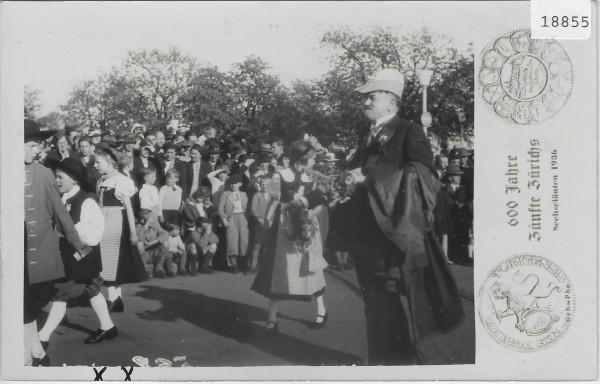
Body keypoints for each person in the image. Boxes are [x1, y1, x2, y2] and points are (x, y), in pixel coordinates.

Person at [340, 68, 464, 365]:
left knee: (385, 300)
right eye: (366, 98)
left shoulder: (409, 130)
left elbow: (426, 176)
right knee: (374, 301)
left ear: (391, 103)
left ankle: (397, 365)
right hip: (365, 235)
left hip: (391, 234)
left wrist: (368, 177)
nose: (366, 102)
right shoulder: (365, 134)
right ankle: (386, 363)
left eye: (372, 97)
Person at [24, 120, 91, 366]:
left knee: (27, 308)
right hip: (11, 256)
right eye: (32, 145)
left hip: (38, 256)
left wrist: (78, 245)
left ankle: (29, 362)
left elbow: (60, 214)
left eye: (39, 146)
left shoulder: (43, 173)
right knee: (22, 311)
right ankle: (38, 354)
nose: (38, 150)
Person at [251, 140, 329, 335]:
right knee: (279, 269)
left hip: (307, 226)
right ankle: (272, 318)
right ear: (301, 158)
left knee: (311, 267)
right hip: (284, 225)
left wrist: (310, 215)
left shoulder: (314, 177)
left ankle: (321, 311)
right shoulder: (280, 175)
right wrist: (267, 221)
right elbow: (274, 201)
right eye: (311, 159)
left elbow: (319, 203)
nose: (314, 162)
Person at [38, 158, 117, 346]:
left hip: (83, 254)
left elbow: (95, 234)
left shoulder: (86, 200)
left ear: (74, 179)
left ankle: (43, 337)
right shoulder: (63, 198)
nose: (56, 180)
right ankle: (108, 326)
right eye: (55, 176)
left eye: (59, 176)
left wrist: (69, 227)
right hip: (71, 253)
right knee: (91, 288)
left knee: (61, 292)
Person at [94, 148, 147, 312]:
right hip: (103, 221)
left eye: (98, 162)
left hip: (116, 222)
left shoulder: (121, 181)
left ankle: (113, 299)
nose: (95, 165)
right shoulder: (101, 181)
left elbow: (129, 208)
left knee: (112, 261)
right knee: (107, 261)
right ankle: (116, 298)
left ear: (110, 163)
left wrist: (133, 233)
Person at [217, 174, 249, 274]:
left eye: (236, 183)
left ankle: (243, 266)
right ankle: (234, 266)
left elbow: (247, 208)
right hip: (231, 218)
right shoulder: (225, 194)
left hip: (242, 217)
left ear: (240, 184)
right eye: (232, 183)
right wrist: (224, 220)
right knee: (232, 241)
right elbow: (220, 209)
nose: (233, 185)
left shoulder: (244, 194)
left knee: (243, 241)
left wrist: (247, 219)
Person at [247, 174, 274, 274]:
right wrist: (259, 219)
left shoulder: (273, 196)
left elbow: (275, 209)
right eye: (262, 184)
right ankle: (252, 267)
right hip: (259, 223)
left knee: (267, 246)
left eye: (266, 184)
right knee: (257, 245)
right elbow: (253, 209)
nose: (264, 186)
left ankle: (264, 268)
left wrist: (271, 220)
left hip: (270, 223)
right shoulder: (257, 195)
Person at [136, 209, 174, 278]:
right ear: (143, 218)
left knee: (165, 243)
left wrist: (153, 242)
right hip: (145, 254)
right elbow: (139, 237)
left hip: (154, 252)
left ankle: (158, 269)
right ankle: (144, 270)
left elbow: (165, 234)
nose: (152, 219)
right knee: (139, 244)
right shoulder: (138, 226)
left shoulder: (155, 224)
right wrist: (146, 225)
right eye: (149, 217)